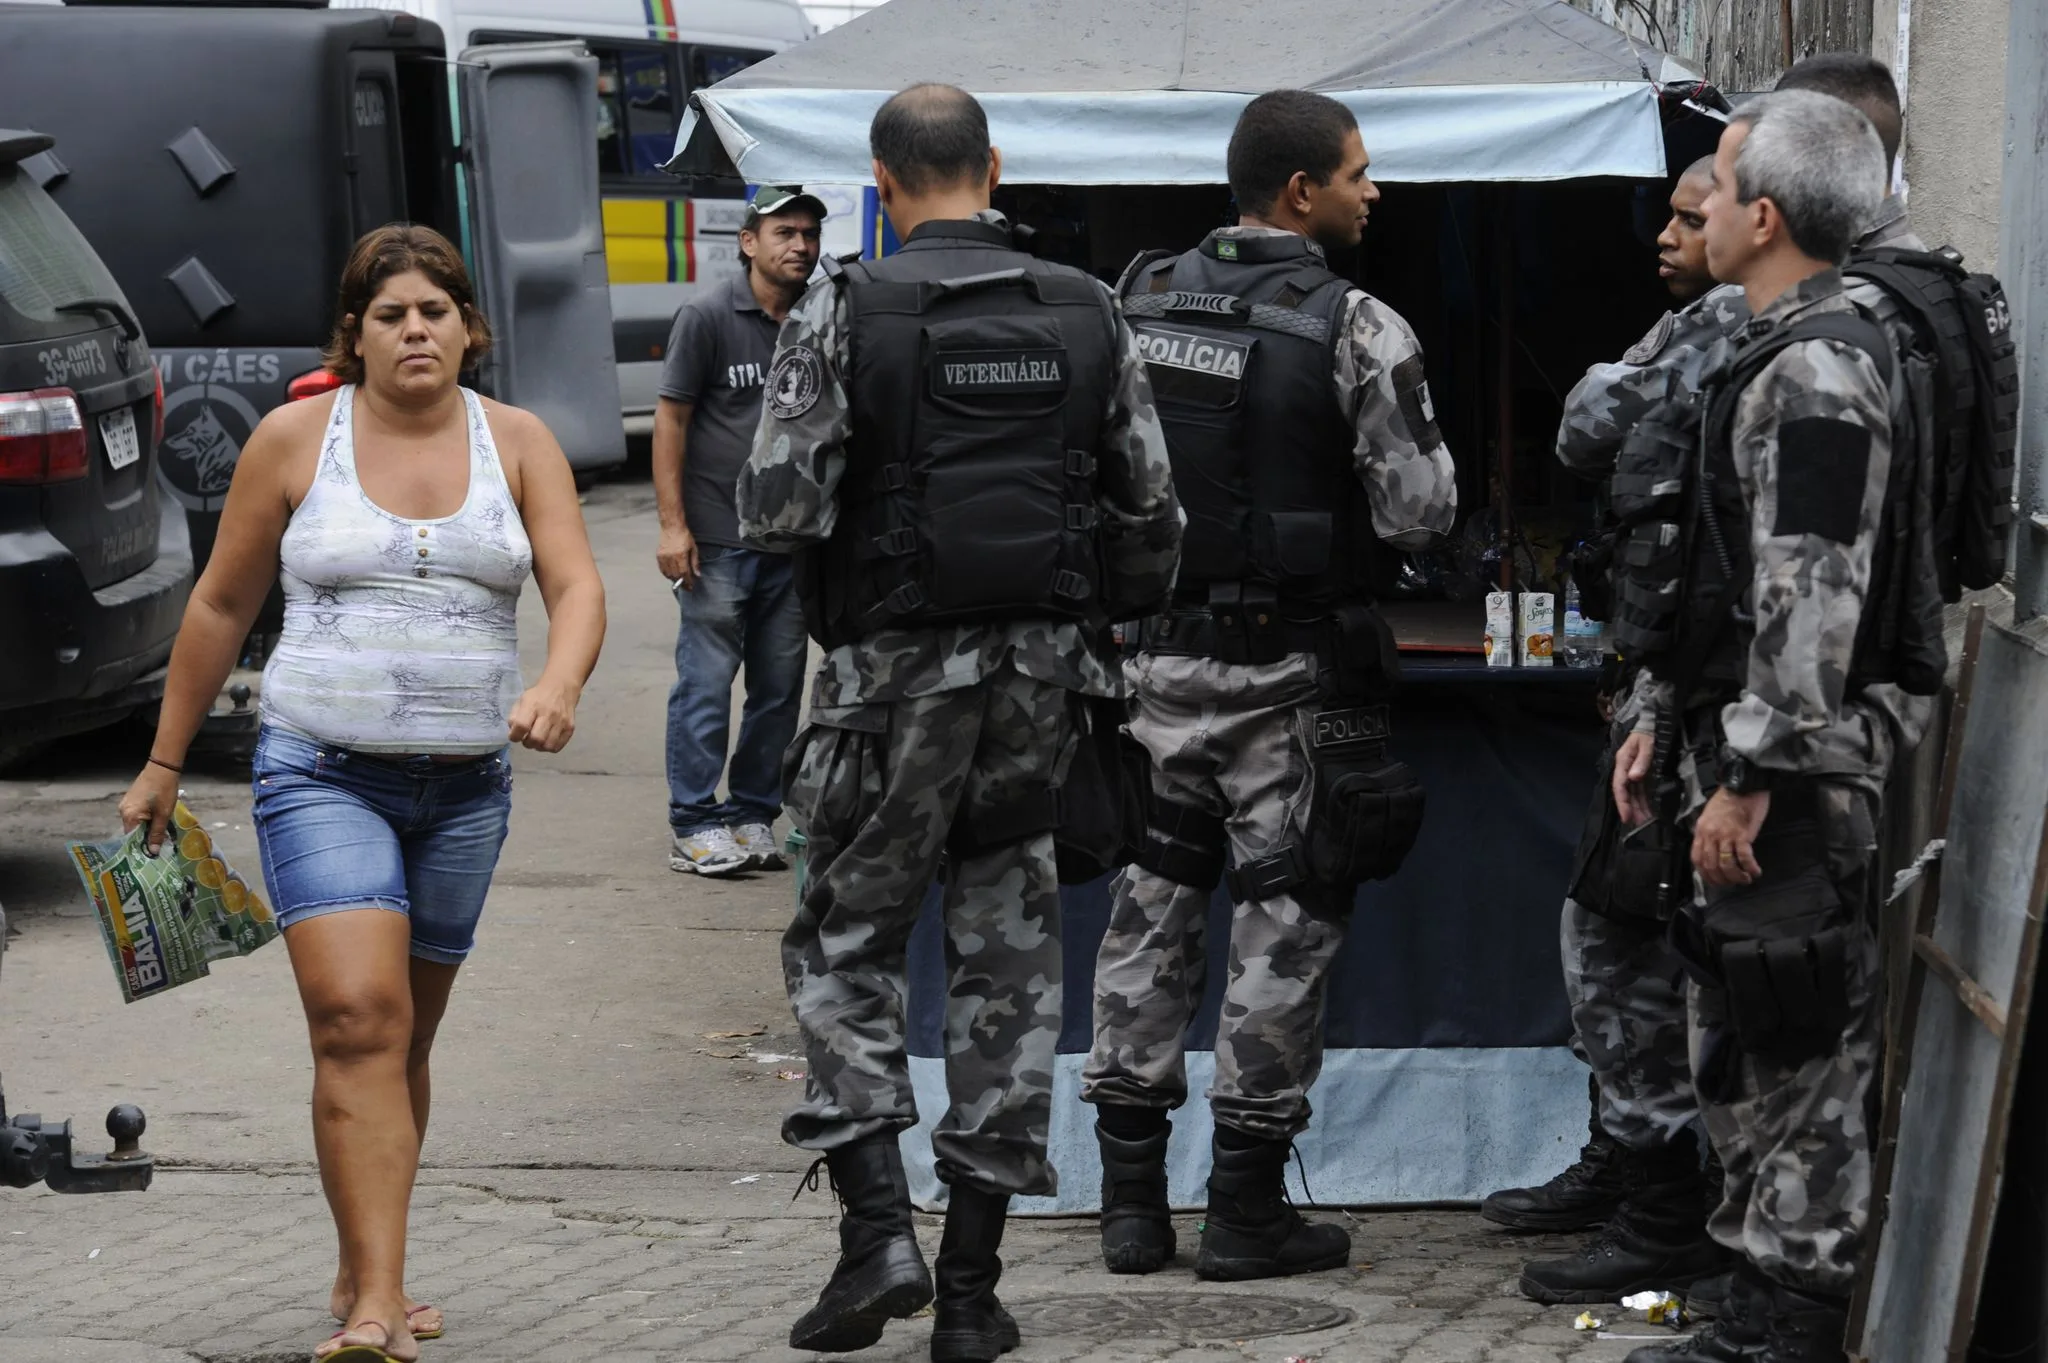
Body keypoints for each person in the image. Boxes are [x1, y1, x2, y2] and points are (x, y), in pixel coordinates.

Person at [738, 84, 1181, 1362]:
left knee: (841, 948)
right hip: (1040, 697)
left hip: (884, 697)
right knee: (1011, 967)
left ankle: (879, 1235)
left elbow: (775, 506)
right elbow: (1152, 518)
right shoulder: (1086, 308)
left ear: (879, 182)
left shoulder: (838, 302)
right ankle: (975, 1295)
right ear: (994, 167)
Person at [117, 225, 606, 1363]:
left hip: (466, 790)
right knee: (357, 1024)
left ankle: (363, 1257)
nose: (415, 330)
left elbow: (576, 583)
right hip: (319, 771)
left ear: (470, 328)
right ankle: (379, 1307)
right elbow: (218, 607)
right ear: (355, 336)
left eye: (434, 310)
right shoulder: (296, 439)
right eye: (389, 315)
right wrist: (162, 761)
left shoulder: (520, 442)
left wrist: (560, 682)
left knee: (401, 1040)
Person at [1081, 90, 1455, 1283]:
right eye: (1357, 173)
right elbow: (1419, 511)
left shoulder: (1129, 300)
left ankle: (1130, 1209)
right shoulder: (1355, 326)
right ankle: (1244, 1214)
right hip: (1285, 683)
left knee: (1146, 921)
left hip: (1149, 673)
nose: (1371, 191)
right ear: (1300, 194)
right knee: (1279, 933)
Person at [1608, 90, 1900, 1363]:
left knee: (1795, 1058)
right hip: (1739, 751)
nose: (1699, 213)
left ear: (1764, 217)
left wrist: (1749, 772)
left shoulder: (1816, 370)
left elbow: (1809, 587)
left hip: (1790, 777)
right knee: (1741, 1035)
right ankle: (1749, 1308)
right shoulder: (1774, 349)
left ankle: (1787, 1326)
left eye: (1716, 194)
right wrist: (1665, 724)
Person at [1488, 158, 1748, 1313]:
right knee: (1612, 930)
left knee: (1625, 941)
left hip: (1709, 705)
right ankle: (1635, 1171)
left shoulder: (1726, 327)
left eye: (1693, 216)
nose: (1665, 233)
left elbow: (1585, 422)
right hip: (1666, 680)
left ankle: (1665, 1208)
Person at [655, 185, 825, 876]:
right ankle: (693, 821)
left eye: (810, 234)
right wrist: (673, 526)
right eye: (785, 232)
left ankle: (752, 811)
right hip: (719, 537)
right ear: (749, 241)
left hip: (794, 540)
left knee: (780, 687)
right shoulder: (707, 316)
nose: (801, 246)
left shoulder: (819, 317)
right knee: (706, 681)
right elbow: (670, 421)